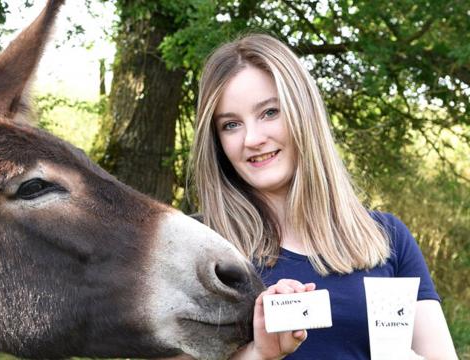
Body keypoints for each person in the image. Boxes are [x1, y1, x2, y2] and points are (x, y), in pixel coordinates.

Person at [188, 33, 458, 359]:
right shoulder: (199, 249)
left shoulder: (388, 238)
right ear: (216, 142)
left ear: (304, 114)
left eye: (269, 112)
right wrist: (259, 354)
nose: (253, 138)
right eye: (231, 125)